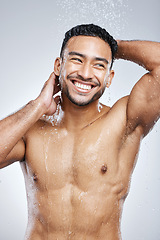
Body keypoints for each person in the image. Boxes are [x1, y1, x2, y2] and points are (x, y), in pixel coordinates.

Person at [0, 23, 160, 240]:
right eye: (77, 59)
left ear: (109, 78)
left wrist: (112, 46)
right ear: (58, 66)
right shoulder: (32, 128)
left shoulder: (124, 121)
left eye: (99, 65)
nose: (85, 73)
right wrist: (36, 106)